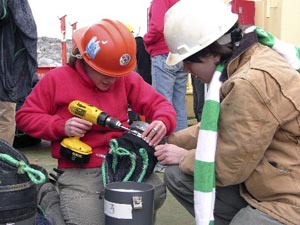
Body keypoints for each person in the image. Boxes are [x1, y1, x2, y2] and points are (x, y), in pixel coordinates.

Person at [16, 19, 176, 225]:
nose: (112, 80)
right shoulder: (56, 79)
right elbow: (25, 117)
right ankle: (48, 197)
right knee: (88, 221)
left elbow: (160, 104)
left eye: (117, 75)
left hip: (120, 163)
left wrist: (163, 121)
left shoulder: (124, 78)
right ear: (86, 60)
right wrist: (60, 126)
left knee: (151, 194)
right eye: (106, 74)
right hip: (79, 169)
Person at [157, 0, 300, 225]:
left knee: (243, 221)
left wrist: (184, 156)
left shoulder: (251, 81)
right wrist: (168, 140)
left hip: (289, 197)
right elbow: (222, 125)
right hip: (268, 177)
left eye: (188, 61)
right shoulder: (249, 57)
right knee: (178, 176)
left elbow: (228, 168)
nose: (185, 69)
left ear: (212, 54)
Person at [143, 0, 188, 132]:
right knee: (179, 103)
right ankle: (180, 142)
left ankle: (166, 144)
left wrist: (146, 40)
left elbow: (157, 26)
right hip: (181, 52)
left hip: (163, 53)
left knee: (162, 104)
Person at [0, 0, 37, 146]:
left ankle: (3, 161)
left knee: (5, 114)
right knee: (5, 116)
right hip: (7, 74)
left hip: (6, 73)